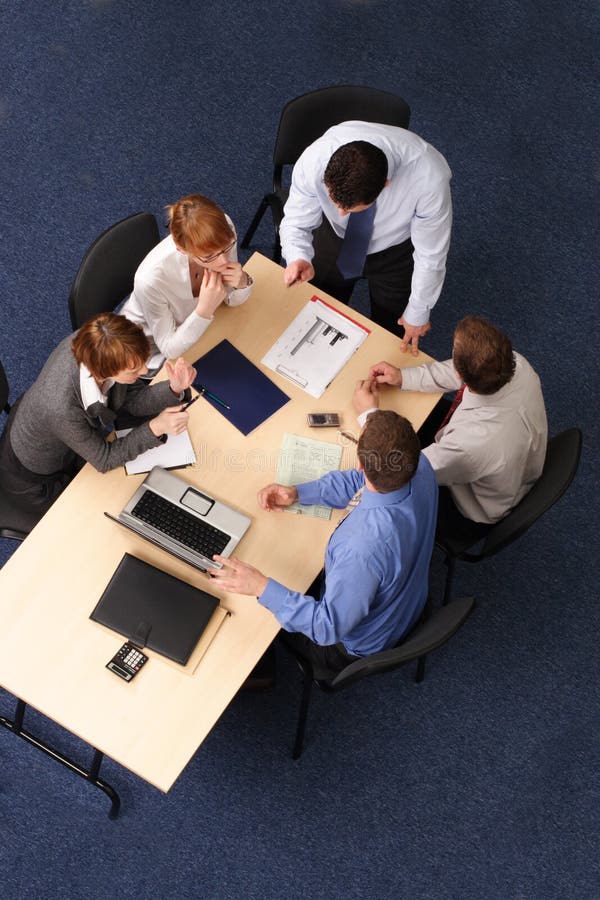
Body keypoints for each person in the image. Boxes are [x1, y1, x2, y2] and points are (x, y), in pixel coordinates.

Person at [211, 410, 438, 678]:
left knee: (250, 613)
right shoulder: (420, 464)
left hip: (353, 644)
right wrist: (299, 493)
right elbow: (360, 484)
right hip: (407, 599)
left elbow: (326, 627)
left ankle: (261, 678)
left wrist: (260, 586)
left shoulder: (361, 549)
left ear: (361, 464)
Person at [353, 316, 548, 544]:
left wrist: (369, 417)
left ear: (461, 374)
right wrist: (403, 377)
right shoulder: (516, 364)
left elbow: (395, 472)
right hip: (507, 462)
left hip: (468, 507)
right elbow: (457, 372)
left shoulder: (473, 444)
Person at [0, 313, 196, 522]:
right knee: (96, 513)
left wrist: (174, 389)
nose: (145, 370)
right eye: (134, 369)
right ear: (104, 370)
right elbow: (104, 459)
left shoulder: (100, 347)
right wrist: (156, 427)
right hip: (36, 479)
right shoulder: (61, 409)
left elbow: (129, 400)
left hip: (65, 433)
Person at [279, 121, 452, 354]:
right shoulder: (316, 158)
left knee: (390, 330)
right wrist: (298, 256)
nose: (340, 212)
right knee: (316, 309)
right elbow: (296, 220)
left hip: (395, 252)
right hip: (332, 238)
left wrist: (419, 311)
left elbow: (431, 254)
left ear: (385, 185)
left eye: (350, 209)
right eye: (334, 202)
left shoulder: (429, 179)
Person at [121, 194, 254, 368]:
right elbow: (169, 348)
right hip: (147, 349)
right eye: (209, 256)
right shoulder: (150, 279)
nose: (223, 261)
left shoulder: (224, 230)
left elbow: (229, 299)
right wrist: (204, 310)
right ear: (181, 248)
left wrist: (242, 281)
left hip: (197, 332)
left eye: (226, 248)